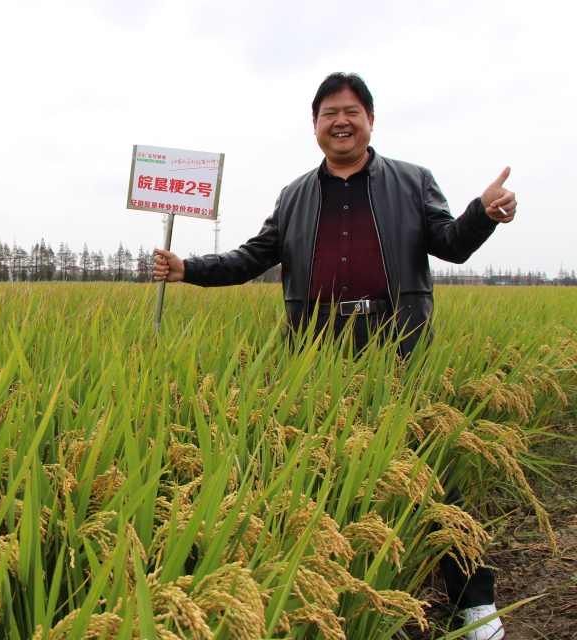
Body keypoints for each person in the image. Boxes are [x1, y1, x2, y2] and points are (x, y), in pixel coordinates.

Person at [153, 72, 514, 640]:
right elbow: (254, 256)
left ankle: (476, 605)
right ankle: (335, 596)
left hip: (396, 343)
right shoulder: (295, 195)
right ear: (315, 124)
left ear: (370, 120)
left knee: (433, 470)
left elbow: (450, 244)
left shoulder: (412, 181)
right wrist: (189, 268)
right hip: (317, 349)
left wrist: (483, 213)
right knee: (321, 468)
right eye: (329, 113)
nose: (340, 122)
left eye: (351, 112)